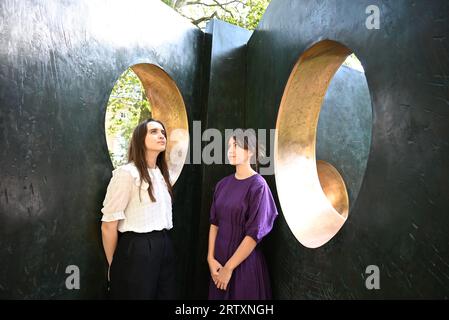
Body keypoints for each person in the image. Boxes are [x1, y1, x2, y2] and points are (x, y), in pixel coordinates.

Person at [100, 118, 176, 300]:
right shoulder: (127, 173)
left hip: (164, 245)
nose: (161, 136)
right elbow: (108, 225)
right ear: (140, 139)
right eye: (154, 132)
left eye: (162, 132)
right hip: (137, 249)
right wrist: (115, 264)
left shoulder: (161, 175)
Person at [207, 129, 278, 300]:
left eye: (237, 145)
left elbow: (254, 235)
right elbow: (214, 223)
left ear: (251, 151)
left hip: (244, 267)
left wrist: (229, 268)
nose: (231, 150)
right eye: (229, 145)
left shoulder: (258, 186)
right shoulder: (222, 185)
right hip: (218, 265)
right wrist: (210, 258)